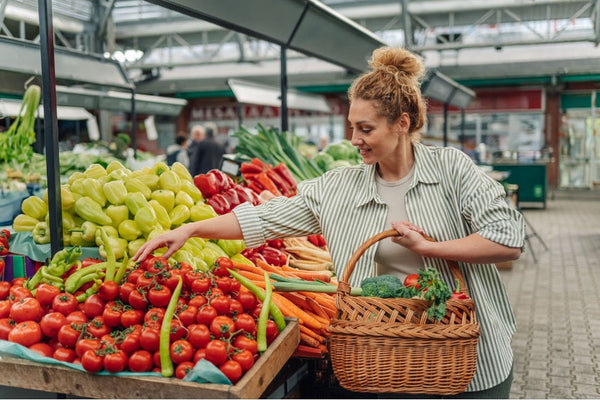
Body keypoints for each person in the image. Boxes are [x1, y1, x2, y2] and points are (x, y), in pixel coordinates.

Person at [133, 46, 525, 398]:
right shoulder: (338, 187)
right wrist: (192, 229)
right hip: (389, 359)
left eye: (366, 129)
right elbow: (264, 220)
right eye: (352, 127)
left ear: (402, 124)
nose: (355, 138)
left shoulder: (452, 169)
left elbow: (507, 239)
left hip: (468, 360)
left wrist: (430, 249)